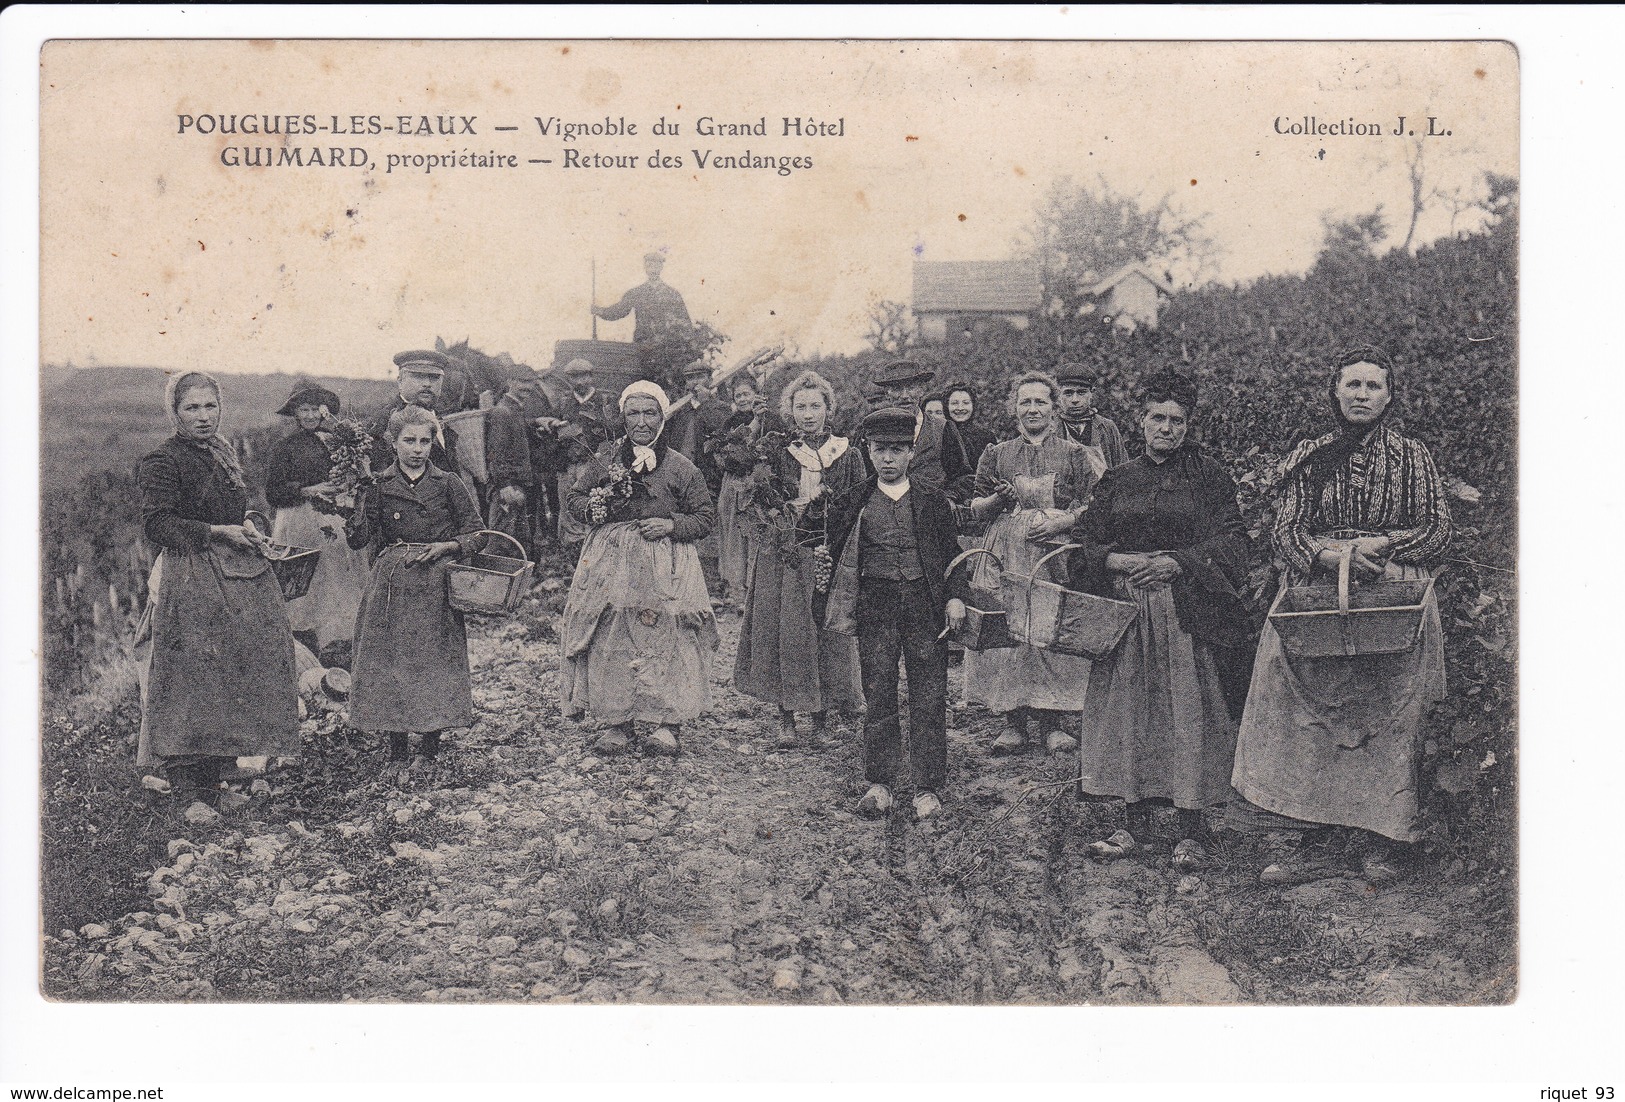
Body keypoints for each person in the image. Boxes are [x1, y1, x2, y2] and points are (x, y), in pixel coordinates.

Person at [1230, 346, 1452, 882]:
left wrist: (1384, 546)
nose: (1361, 395)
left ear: (1389, 396)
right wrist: (1329, 556)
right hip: (1319, 592)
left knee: (1388, 712)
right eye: (1351, 385)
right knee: (1305, 713)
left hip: (1391, 593)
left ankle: (1382, 838)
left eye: (1373, 386)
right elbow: (1287, 529)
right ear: (1335, 392)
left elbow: (1438, 528)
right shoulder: (1312, 453)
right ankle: (1306, 835)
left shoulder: (1412, 456)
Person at [1067, 370, 1252, 856]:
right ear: (1140, 420)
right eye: (1157, 418)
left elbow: (1233, 541)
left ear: (1188, 425)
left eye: (1177, 420)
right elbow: (1082, 543)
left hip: (1184, 612)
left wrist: (1176, 563)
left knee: (1187, 711)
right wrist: (1116, 560)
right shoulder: (1119, 479)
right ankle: (1134, 822)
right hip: (1128, 615)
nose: (1166, 428)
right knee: (1131, 712)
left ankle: (1192, 828)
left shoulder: (1208, 476)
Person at [134, 372, 300, 810]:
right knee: (190, 677)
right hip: (188, 576)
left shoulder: (220, 453)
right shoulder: (163, 460)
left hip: (230, 574)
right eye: (192, 408)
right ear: (174, 412)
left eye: (210, 407)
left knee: (228, 671)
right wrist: (217, 532)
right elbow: (157, 524)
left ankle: (217, 780)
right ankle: (190, 790)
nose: (204, 417)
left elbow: (228, 508)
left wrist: (243, 522)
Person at [559, 381, 720, 758]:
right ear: (623, 417)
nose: (642, 422)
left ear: (662, 416)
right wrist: (593, 509)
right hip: (611, 563)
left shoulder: (682, 468)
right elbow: (576, 496)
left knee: (669, 633)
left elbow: (705, 517)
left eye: (650, 413)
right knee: (611, 631)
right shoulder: (606, 458)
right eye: (634, 413)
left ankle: (667, 723)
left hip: (667, 565)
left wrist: (671, 525)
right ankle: (617, 722)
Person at [824, 407, 969, 822]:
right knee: (880, 692)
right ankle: (880, 782)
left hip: (924, 606)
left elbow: (951, 554)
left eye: (897, 450)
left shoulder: (930, 500)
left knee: (928, 694)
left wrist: (955, 597)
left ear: (910, 453)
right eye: (880, 449)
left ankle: (927, 787)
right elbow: (835, 554)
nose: (888, 458)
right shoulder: (856, 501)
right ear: (868, 452)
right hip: (876, 607)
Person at [961, 372, 1107, 755]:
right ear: (1014, 408)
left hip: (1054, 552)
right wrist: (998, 500)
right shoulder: (998, 453)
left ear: (1054, 409)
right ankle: (1013, 721)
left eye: (1040, 402)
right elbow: (975, 509)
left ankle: (1053, 721)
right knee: (1009, 629)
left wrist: (1063, 520)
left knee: (1050, 625)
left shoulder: (1076, 454)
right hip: (1008, 552)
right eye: (1024, 402)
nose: (1032, 409)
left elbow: (1098, 504)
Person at [346, 404, 487, 776]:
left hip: (435, 581)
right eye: (409, 440)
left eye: (426, 440)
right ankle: (396, 751)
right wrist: (354, 505)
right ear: (393, 443)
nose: (418, 448)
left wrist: (450, 547)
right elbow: (360, 539)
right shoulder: (377, 484)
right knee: (390, 660)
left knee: (433, 660)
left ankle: (428, 746)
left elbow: (477, 533)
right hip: (392, 582)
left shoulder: (448, 483)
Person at [734, 371, 867, 748]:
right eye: (801, 406)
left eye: (816, 406)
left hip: (828, 551)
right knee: (786, 630)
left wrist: (832, 509)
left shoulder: (848, 453)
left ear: (829, 408)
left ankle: (823, 718)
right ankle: (787, 718)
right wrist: (778, 515)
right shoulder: (777, 451)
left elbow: (858, 504)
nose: (809, 414)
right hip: (786, 553)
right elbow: (758, 499)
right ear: (789, 411)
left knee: (825, 629)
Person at [263, 382, 370, 652]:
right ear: (296, 414)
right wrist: (308, 490)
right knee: (309, 580)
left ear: (324, 412)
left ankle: (340, 642)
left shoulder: (334, 442)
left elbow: (350, 472)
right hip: (300, 522)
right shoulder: (285, 448)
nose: (310, 416)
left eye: (315, 410)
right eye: (304, 410)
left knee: (338, 580)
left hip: (334, 519)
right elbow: (273, 492)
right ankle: (305, 643)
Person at [664, 359, 734, 595]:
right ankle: (682, 584)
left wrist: (706, 403)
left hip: (708, 479)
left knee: (709, 532)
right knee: (679, 528)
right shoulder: (679, 411)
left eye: (700, 377)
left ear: (710, 379)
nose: (695, 382)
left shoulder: (720, 407)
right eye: (690, 378)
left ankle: (712, 589)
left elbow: (722, 429)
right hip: (680, 481)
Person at [862, 361, 971, 494]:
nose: (904, 395)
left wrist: (947, 500)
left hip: (932, 510)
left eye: (911, 387)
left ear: (921, 389)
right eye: (897, 389)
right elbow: (862, 478)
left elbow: (963, 477)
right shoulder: (872, 430)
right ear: (887, 393)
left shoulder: (942, 429)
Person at [592, 251, 695, 389]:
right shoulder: (636, 293)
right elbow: (620, 310)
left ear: (661, 267)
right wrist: (600, 311)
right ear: (645, 267)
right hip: (644, 350)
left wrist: (686, 349)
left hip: (668, 352)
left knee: (670, 388)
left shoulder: (672, 294)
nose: (653, 267)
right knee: (646, 385)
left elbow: (685, 323)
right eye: (649, 263)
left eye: (657, 263)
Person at [708, 376, 771, 600]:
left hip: (759, 482)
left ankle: (756, 589)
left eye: (746, 394)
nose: (743, 399)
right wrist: (754, 422)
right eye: (738, 395)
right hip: (735, 484)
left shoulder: (768, 419)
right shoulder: (731, 423)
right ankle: (736, 589)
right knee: (735, 533)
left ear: (755, 394)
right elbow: (735, 454)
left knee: (757, 532)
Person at [550, 358, 618, 557]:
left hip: (592, 463)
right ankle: (574, 555)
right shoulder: (563, 402)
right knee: (569, 509)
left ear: (591, 376)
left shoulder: (604, 400)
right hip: (567, 463)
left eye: (583, 376)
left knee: (593, 504)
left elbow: (613, 431)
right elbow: (554, 428)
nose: (579, 382)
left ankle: (596, 548)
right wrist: (554, 425)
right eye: (574, 377)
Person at [367, 349, 461, 475]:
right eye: (419, 376)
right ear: (400, 381)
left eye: (434, 377)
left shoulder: (442, 420)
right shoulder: (382, 422)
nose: (427, 384)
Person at [483, 372, 537, 556]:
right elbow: (496, 453)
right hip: (508, 488)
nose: (527, 387)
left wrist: (537, 422)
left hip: (517, 485)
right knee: (501, 539)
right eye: (522, 381)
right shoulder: (502, 412)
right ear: (510, 382)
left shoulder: (514, 410)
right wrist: (505, 486)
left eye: (530, 382)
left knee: (518, 539)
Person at [1054, 363, 1130, 468]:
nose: (1075, 400)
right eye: (1068, 393)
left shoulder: (1107, 427)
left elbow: (1123, 468)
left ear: (1091, 393)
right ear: (1059, 395)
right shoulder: (1051, 428)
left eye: (1081, 393)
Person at [945, 383, 997, 481]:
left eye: (966, 403)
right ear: (946, 406)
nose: (960, 408)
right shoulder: (940, 434)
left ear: (973, 405)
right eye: (954, 403)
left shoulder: (986, 436)